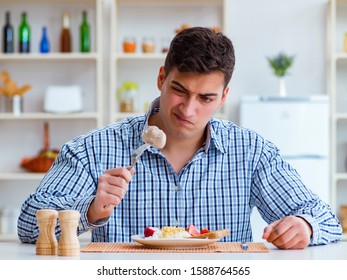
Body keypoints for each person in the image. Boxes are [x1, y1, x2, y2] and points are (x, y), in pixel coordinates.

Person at [18, 27, 342, 249]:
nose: (189, 109)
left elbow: (327, 219)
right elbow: (29, 228)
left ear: (224, 96)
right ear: (161, 77)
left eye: (206, 98)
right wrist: (89, 212)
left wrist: (305, 226)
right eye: (179, 90)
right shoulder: (93, 150)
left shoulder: (251, 152)